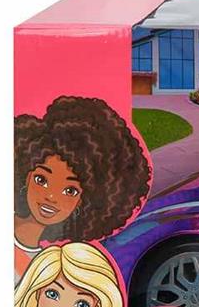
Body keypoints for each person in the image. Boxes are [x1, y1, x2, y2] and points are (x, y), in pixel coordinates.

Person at [13, 96, 151, 279]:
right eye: (41, 179)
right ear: (25, 176)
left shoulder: (56, 266)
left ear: (85, 203)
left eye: (70, 191)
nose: (51, 197)